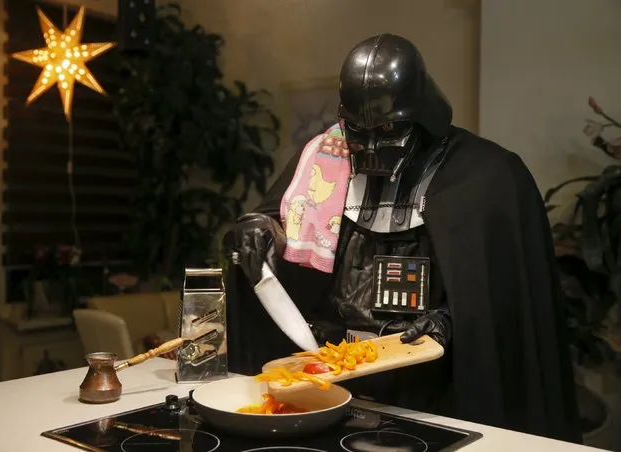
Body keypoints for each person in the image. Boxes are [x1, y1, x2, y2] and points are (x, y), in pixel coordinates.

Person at [226, 34, 582, 444]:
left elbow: (504, 293)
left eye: (390, 129)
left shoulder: (489, 175)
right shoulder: (324, 157)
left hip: (435, 393)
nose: (372, 146)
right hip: (330, 384)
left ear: (422, 114)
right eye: (358, 131)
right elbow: (281, 220)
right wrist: (259, 229)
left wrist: (451, 321)